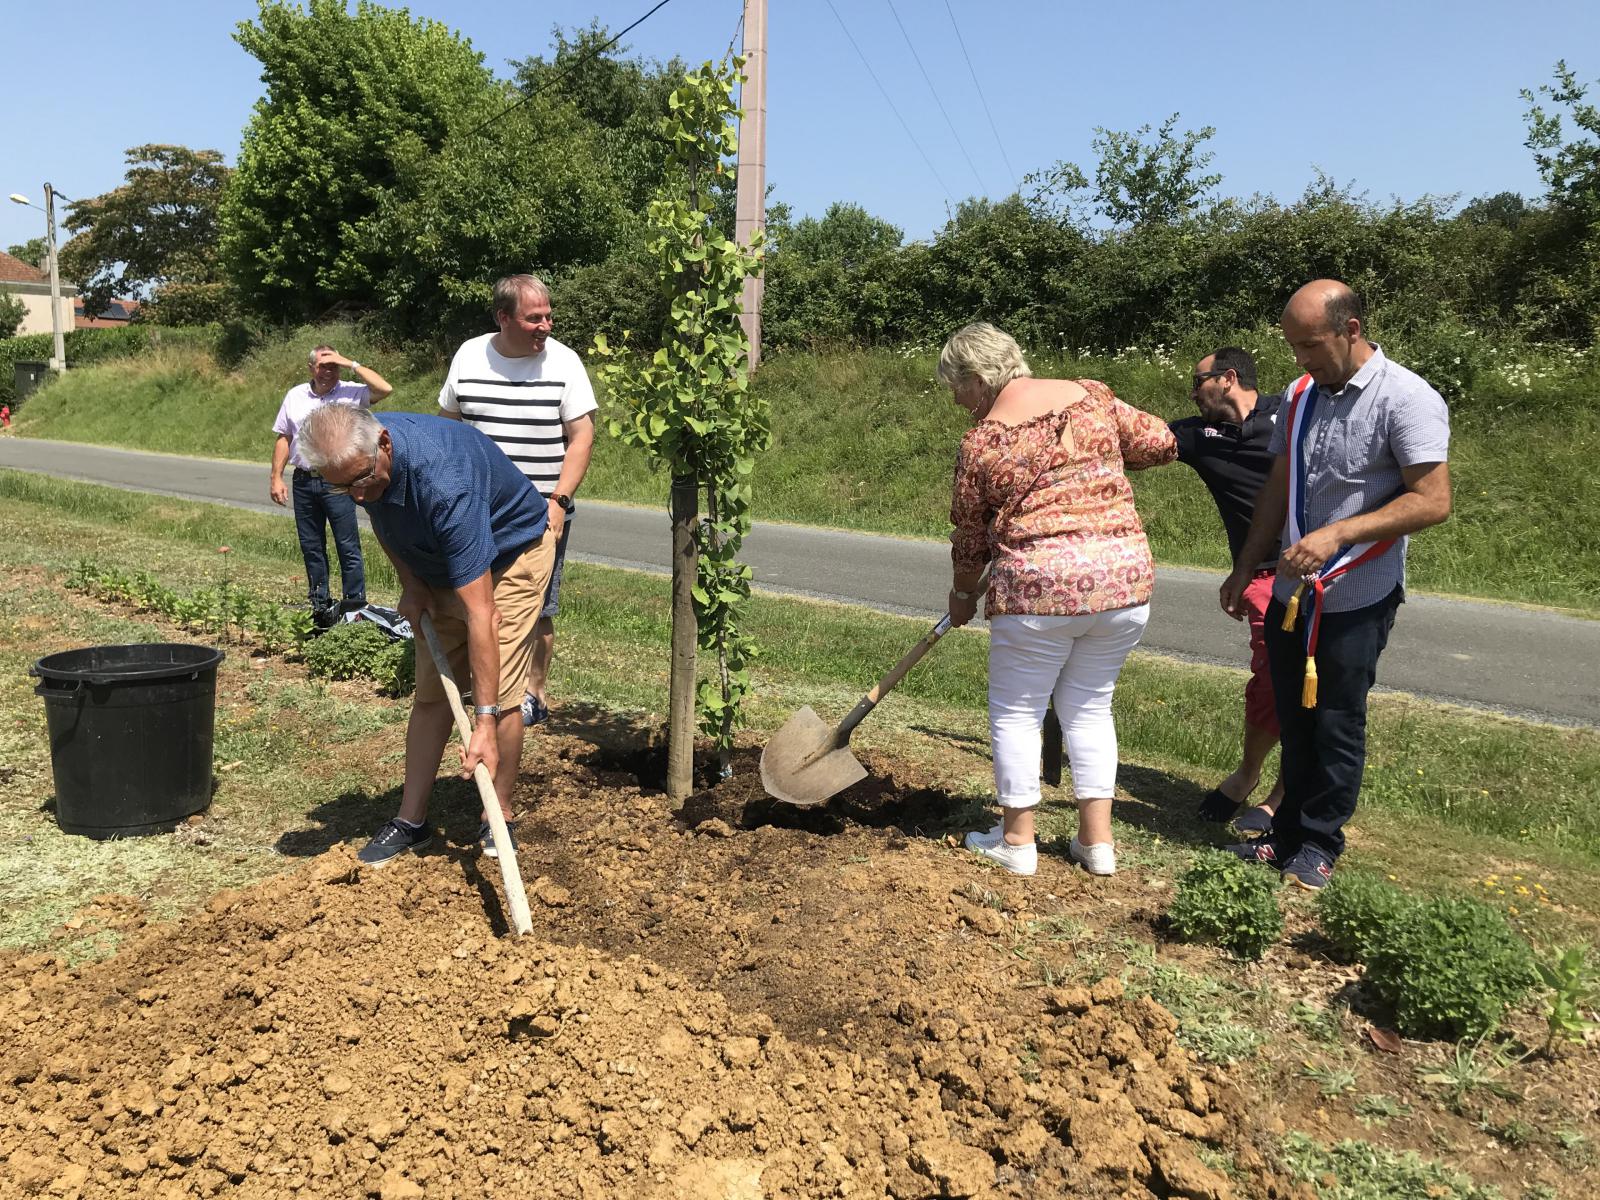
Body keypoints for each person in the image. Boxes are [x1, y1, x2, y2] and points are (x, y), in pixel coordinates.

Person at [1220, 281, 1451, 889]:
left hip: (1356, 593)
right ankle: (1286, 830)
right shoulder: (1301, 395)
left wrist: (1340, 533)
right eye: (1293, 346)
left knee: (1336, 718)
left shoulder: (1406, 399)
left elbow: (1433, 501)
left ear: (1351, 330)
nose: (1300, 359)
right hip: (1294, 592)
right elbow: (1278, 485)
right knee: (1295, 716)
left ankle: (1321, 840)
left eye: (1311, 344)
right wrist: (1247, 564)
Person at [942, 322, 1177, 877]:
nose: (956, 400)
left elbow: (971, 535)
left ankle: (1017, 842)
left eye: (956, 386)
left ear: (979, 379)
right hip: (1123, 582)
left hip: (1037, 590)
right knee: (1090, 705)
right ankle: (1097, 845)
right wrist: (1103, 460)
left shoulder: (984, 441)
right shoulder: (1091, 396)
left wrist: (961, 596)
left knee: (1018, 711)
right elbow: (1161, 442)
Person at [297, 405, 556, 869]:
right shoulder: (362, 466)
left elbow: (483, 613)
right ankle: (411, 820)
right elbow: (384, 519)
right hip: (440, 561)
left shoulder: (444, 482)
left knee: (506, 698)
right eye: (342, 487)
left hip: (512, 554)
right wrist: (412, 583)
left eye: (361, 480)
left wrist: (483, 724)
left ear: (385, 446)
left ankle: (497, 813)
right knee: (433, 694)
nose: (356, 496)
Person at [438, 274, 597, 729]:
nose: (545, 325)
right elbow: (448, 428)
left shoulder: (565, 363)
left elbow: (582, 436)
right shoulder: (469, 356)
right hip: (475, 511)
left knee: (538, 605)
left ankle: (533, 692)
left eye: (548, 315)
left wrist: (559, 502)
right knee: (477, 601)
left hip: (539, 511)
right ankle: (485, 685)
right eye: (534, 318)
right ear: (503, 318)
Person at [1171, 347, 1284, 835]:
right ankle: (1246, 776)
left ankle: (1284, 795)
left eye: (1198, 383)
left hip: (1316, 571)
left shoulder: (1291, 414)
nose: (1192, 394)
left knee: (1303, 687)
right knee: (1267, 684)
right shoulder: (1198, 437)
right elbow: (1129, 441)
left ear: (1228, 378)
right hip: (1258, 575)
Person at [270, 346, 393, 628]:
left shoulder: (351, 392)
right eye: (324, 366)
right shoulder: (295, 396)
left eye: (334, 366)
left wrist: (350, 362)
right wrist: (275, 477)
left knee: (347, 544)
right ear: (311, 368)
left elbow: (385, 388)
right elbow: (284, 437)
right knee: (311, 546)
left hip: (337, 482)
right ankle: (320, 608)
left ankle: (354, 608)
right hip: (304, 479)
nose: (330, 372)